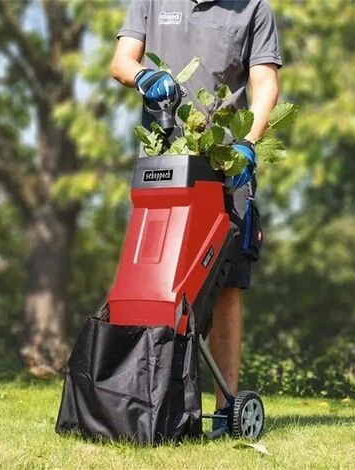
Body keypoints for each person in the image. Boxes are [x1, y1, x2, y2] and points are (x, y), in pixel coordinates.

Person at [110, 0, 281, 433]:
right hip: (164, 160)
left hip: (227, 161)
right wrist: (144, 76)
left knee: (226, 281)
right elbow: (121, 61)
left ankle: (226, 410)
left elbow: (265, 83)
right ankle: (146, 398)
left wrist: (248, 142)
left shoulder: (253, 8)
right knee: (155, 279)